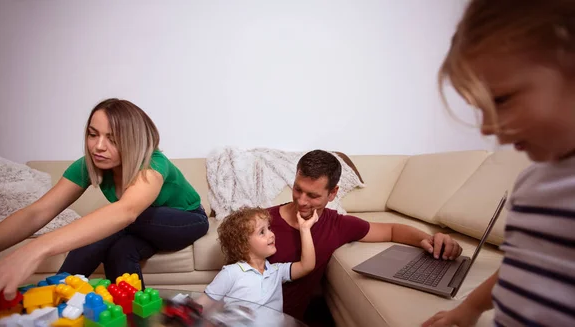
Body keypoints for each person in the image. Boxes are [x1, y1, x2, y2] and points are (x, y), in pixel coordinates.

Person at [0, 98, 209, 321]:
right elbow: (38, 212)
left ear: (134, 140)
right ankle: (129, 317)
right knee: (120, 249)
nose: (98, 146)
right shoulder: (90, 164)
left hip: (187, 221)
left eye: (113, 138)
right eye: (92, 134)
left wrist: (36, 249)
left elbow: (126, 212)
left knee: (113, 225)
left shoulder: (154, 163)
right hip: (139, 230)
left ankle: (56, 298)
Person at [421, 1, 575, 326]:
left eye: (501, 99)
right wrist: (468, 309)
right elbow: (521, 265)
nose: (487, 128)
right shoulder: (530, 183)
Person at [266, 149, 464, 322]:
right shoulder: (262, 221)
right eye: (298, 189)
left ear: (333, 193)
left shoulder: (337, 225)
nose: (301, 201)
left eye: (313, 195)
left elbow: (392, 230)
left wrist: (430, 239)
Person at [196, 207, 317, 314]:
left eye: (269, 228)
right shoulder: (231, 273)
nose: (271, 234)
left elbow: (307, 266)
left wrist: (305, 229)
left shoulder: (276, 271)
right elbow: (201, 306)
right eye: (262, 232)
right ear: (243, 245)